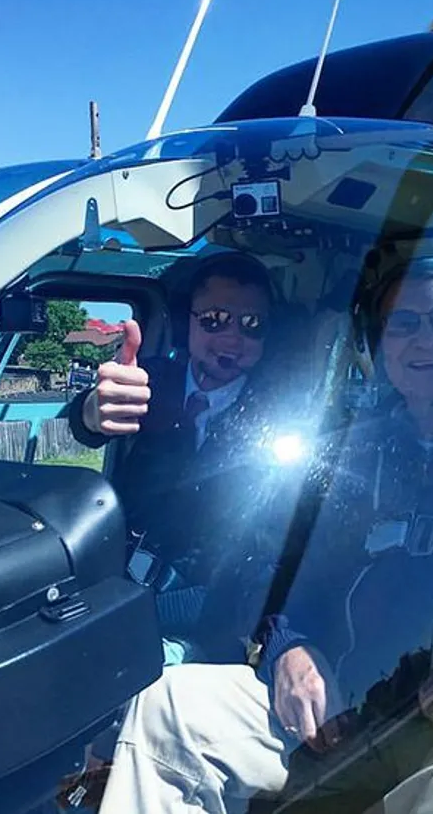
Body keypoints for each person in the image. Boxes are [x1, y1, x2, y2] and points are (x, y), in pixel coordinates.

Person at [91, 249, 433, 814]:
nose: (425, 339)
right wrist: (288, 649)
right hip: (335, 710)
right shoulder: (356, 449)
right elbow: (274, 572)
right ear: (379, 349)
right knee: (169, 704)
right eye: (402, 323)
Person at [68, 251, 285, 661]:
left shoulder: (277, 416)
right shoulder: (148, 380)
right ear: (188, 320)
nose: (233, 338)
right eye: (215, 319)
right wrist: (92, 411)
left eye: (252, 324)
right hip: (115, 579)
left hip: (203, 610)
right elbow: (94, 412)